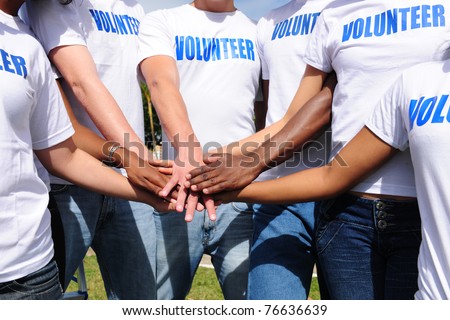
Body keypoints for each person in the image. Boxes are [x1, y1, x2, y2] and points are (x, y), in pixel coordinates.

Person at [188, 0, 450, 299]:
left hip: (421, 207)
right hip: (343, 206)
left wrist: (247, 166)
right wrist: (218, 163)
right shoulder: (334, 14)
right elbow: (296, 116)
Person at [0, 0, 173, 299]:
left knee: (140, 300)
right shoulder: (46, 12)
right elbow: (82, 83)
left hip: (30, 262)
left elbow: (61, 150)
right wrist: (131, 156)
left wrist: (144, 179)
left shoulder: (26, 44)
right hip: (69, 191)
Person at [138, 0, 262, 299]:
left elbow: (265, 112)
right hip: (177, 194)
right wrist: (191, 153)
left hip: (239, 198)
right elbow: (159, 82)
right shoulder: (162, 21)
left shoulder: (259, 32)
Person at [247, 0, 333, 300]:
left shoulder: (350, 9)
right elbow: (276, 111)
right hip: (278, 193)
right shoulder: (268, 22)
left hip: (345, 193)